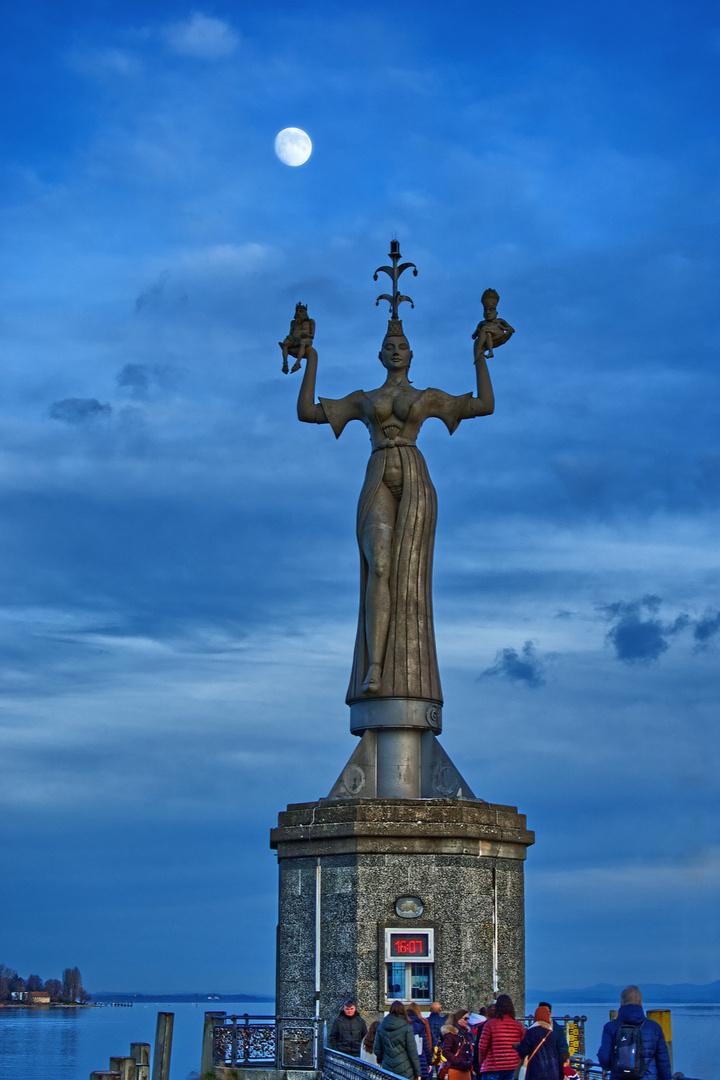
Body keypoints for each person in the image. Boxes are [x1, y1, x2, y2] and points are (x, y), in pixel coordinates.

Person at [297, 318, 495, 702]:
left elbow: (485, 405)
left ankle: (406, 663)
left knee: (408, 572)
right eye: (389, 346)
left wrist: (479, 358)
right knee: (380, 566)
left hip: (413, 475)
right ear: (380, 354)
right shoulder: (363, 399)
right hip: (377, 475)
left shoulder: (429, 396)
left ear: (411, 354)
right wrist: (311, 360)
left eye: (401, 345)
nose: (395, 351)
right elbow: (308, 412)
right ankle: (374, 665)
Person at [598, 986, 671, 1080]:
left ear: (621, 1004)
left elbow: (604, 1060)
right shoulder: (654, 1028)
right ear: (641, 1005)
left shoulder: (610, 1027)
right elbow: (663, 1063)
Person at [476, 994, 525, 1080]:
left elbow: (482, 1047)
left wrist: (482, 1062)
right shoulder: (518, 1026)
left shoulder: (490, 1025)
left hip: (492, 1067)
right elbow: (523, 1047)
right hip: (512, 1066)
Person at [374, 1000, 422, 1080]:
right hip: (405, 1069)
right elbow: (412, 1053)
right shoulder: (407, 1028)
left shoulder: (381, 1027)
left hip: (387, 1067)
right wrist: (418, 1073)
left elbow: (377, 1049)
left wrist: (380, 1060)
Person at [513, 1006, 561, 1080]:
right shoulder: (553, 1036)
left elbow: (523, 1051)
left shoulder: (531, 1032)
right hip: (552, 1074)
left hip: (535, 1072)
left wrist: (517, 1047)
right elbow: (559, 1058)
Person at [471, 289, 515, 360]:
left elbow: (512, 330)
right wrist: (478, 331)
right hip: (488, 337)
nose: (488, 313)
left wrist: (503, 328)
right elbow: (473, 336)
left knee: (485, 329)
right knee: (487, 333)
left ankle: (479, 349)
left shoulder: (499, 321)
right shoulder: (482, 323)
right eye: (485, 311)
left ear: (496, 313)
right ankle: (490, 352)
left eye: (491, 310)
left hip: (497, 334)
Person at [442, 1009, 475, 1080]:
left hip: (466, 1069)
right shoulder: (451, 1034)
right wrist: (458, 1062)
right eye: (465, 1019)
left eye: (468, 1019)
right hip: (455, 1069)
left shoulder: (467, 1034)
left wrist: (470, 1063)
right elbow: (446, 1051)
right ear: (459, 1020)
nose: (468, 1021)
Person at [408, 1002, 433, 1080]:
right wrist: (429, 1061)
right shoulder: (423, 1022)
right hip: (422, 1058)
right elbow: (428, 1042)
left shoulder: (404, 1023)